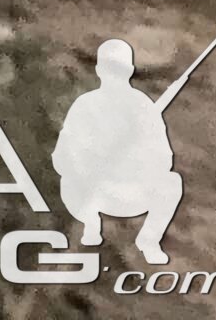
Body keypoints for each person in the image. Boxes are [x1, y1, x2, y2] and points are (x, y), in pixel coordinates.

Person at [54, 39, 187, 264]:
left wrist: (135, 158)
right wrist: (89, 163)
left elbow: (164, 158)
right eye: (110, 69)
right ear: (99, 70)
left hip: (125, 190)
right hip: (84, 192)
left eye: (120, 69)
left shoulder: (143, 108)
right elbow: (61, 155)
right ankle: (90, 227)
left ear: (130, 72)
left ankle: (149, 241)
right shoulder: (85, 105)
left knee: (171, 183)